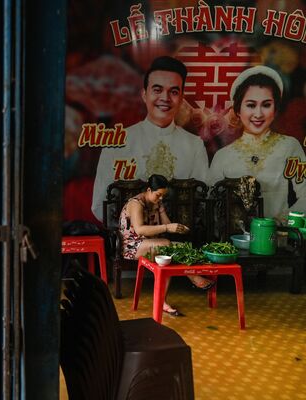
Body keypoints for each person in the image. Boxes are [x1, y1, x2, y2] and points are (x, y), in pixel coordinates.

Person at [92, 56, 209, 223]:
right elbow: (100, 205)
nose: (165, 98)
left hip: (180, 243)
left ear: (182, 99)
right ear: (144, 95)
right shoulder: (117, 143)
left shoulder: (194, 145)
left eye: (174, 92)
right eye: (157, 89)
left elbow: (203, 203)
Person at [209, 66, 306, 220]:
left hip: (278, 239)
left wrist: (282, 221)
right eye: (251, 105)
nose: (258, 114)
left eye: (266, 105)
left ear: (275, 109)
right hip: (230, 241)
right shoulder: (222, 156)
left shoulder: (289, 146)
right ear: (238, 109)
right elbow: (210, 206)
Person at [120, 174, 215, 316]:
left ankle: (162, 302)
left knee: (177, 250)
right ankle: (195, 278)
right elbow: (140, 230)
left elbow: (167, 224)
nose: (161, 198)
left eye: (163, 195)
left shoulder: (157, 202)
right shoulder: (136, 203)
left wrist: (170, 220)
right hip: (132, 245)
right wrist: (167, 228)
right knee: (166, 244)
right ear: (148, 190)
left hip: (150, 243)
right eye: (158, 195)